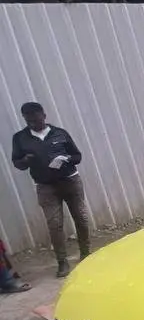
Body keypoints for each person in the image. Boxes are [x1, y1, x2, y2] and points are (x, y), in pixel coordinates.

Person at [11, 102, 90, 278]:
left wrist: (67, 158)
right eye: (29, 121)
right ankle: (62, 262)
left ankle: (86, 254)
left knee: (82, 218)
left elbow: (78, 156)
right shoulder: (20, 138)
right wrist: (26, 160)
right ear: (25, 119)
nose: (33, 124)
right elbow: (17, 163)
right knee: (55, 225)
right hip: (46, 187)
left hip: (70, 182)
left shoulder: (60, 133)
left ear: (44, 116)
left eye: (36, 120)